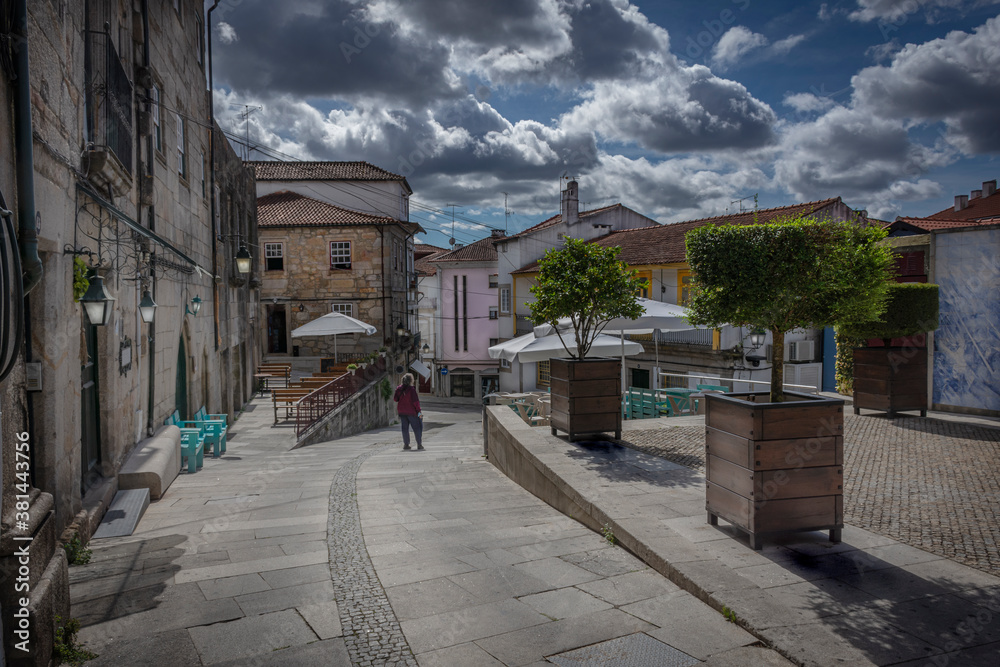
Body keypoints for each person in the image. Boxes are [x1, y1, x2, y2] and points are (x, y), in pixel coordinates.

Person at [393, 373, 423, 450]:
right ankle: (419, 444)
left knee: (404, 428)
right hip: (412, 412)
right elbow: (415, 402)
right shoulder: (412, 389)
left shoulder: (399, 389)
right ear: (411, 380)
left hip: (402, 411)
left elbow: (395, 399)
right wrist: (419, 412)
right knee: (417, 427)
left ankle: (406, 444)